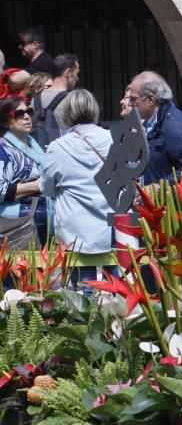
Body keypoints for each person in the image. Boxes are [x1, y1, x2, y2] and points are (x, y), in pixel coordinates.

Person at [40, 90, 114, 285]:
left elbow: (47, 189)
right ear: (94, 110)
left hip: (75, 230)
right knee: (116, 289)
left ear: (66, 113)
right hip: (111, 225)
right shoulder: (113, 139)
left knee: (82, 293)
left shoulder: (58, 147)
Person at [124, 71, 182, 194]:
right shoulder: (151, 122)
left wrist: (158, 187)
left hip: (181, 208)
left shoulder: (174, 124)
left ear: (150, 99)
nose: (130, 103)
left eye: (133, 99)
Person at [0, 97, 47, 243]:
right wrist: (37, 185)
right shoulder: (3, 148)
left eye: (29, 111)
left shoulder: (32, 144)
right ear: (6, 122)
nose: (26, 116)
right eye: (19, 113)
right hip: (16, 227)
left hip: (39, 222)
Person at [32, 53, 79, 150]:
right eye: (76, 74)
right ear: (68, 72)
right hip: (64, 154)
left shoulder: (35, 98)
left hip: (39, 152)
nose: (77, 78)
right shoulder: (73, 100)